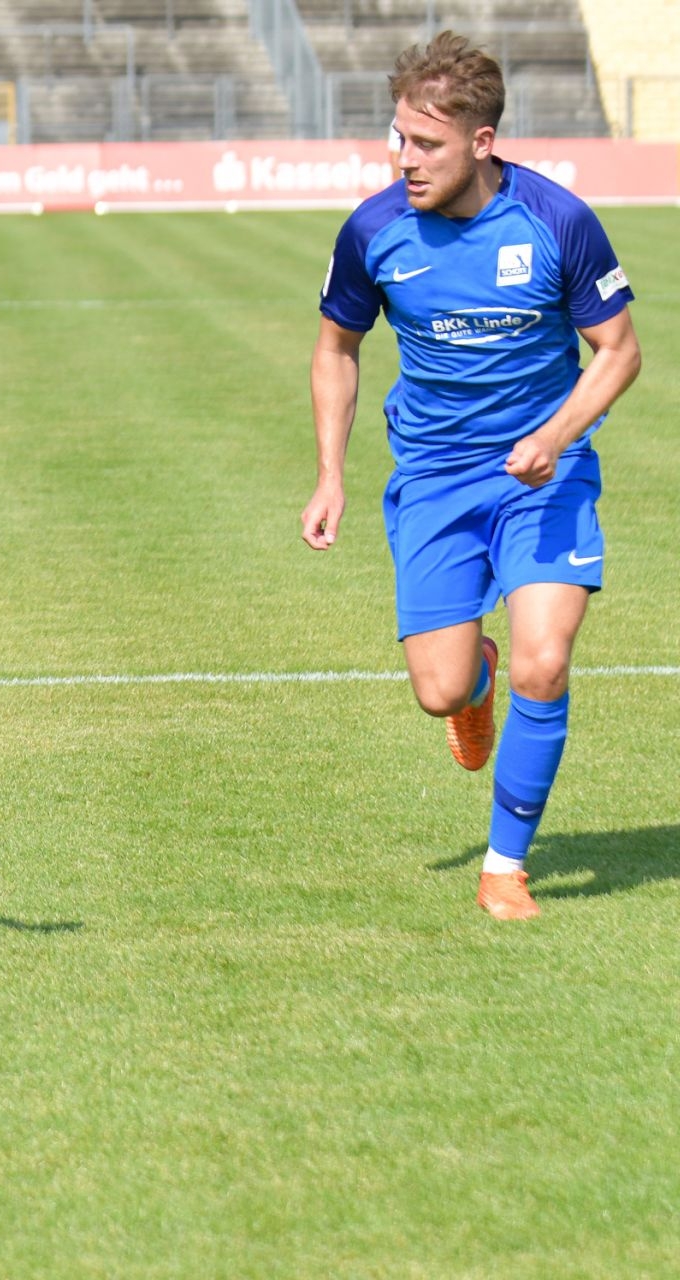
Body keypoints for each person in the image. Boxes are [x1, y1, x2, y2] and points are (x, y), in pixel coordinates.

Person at [303, 32, 640, 921]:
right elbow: (337, 351)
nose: (403, 160)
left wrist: (560, 433)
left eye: (426, 145)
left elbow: (619, 351)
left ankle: (505, 866)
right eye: (398, 139)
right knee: (440, 691)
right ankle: (472, 682)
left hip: (545, 476)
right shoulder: (374, 229)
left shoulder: (557, 219)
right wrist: (331, 474)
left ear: (482, 143)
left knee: (546, 662)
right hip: (436, 480)